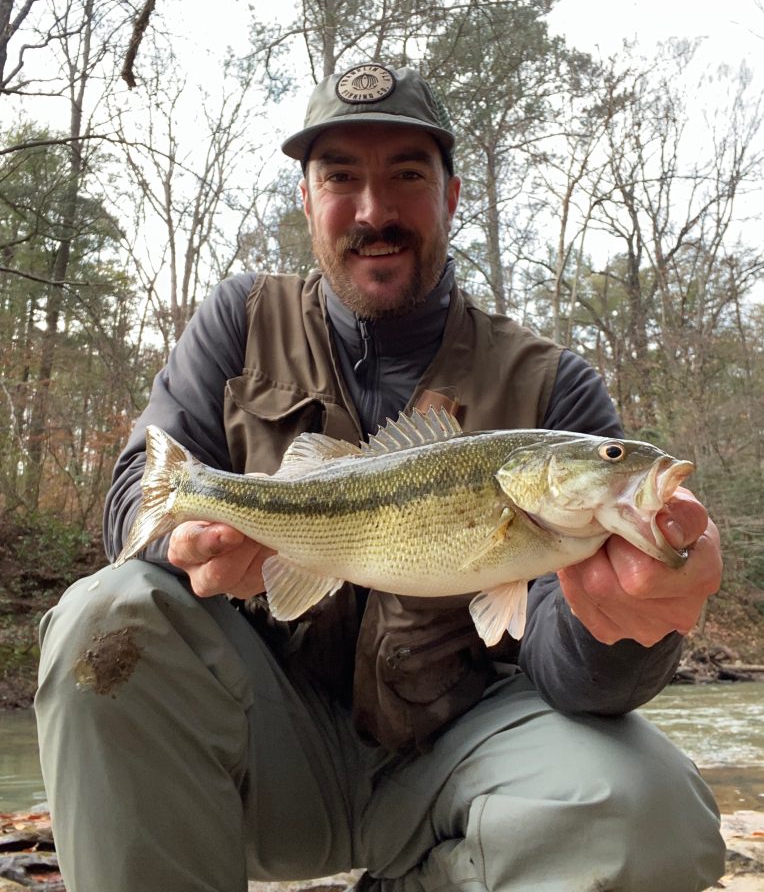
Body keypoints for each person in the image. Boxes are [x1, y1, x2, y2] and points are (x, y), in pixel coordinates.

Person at [36, 62, 726, 892]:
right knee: (101, 617)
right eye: (341, 177)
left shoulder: (554, 389)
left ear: (452, 197)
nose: (374, 211)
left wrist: (628, 624)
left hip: (460, 763)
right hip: (260, 758)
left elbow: (572, 677)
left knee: (651, 810)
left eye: (406, 174)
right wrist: (180, 549)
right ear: (305, 200)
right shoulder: (238, 321)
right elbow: (133, 495)